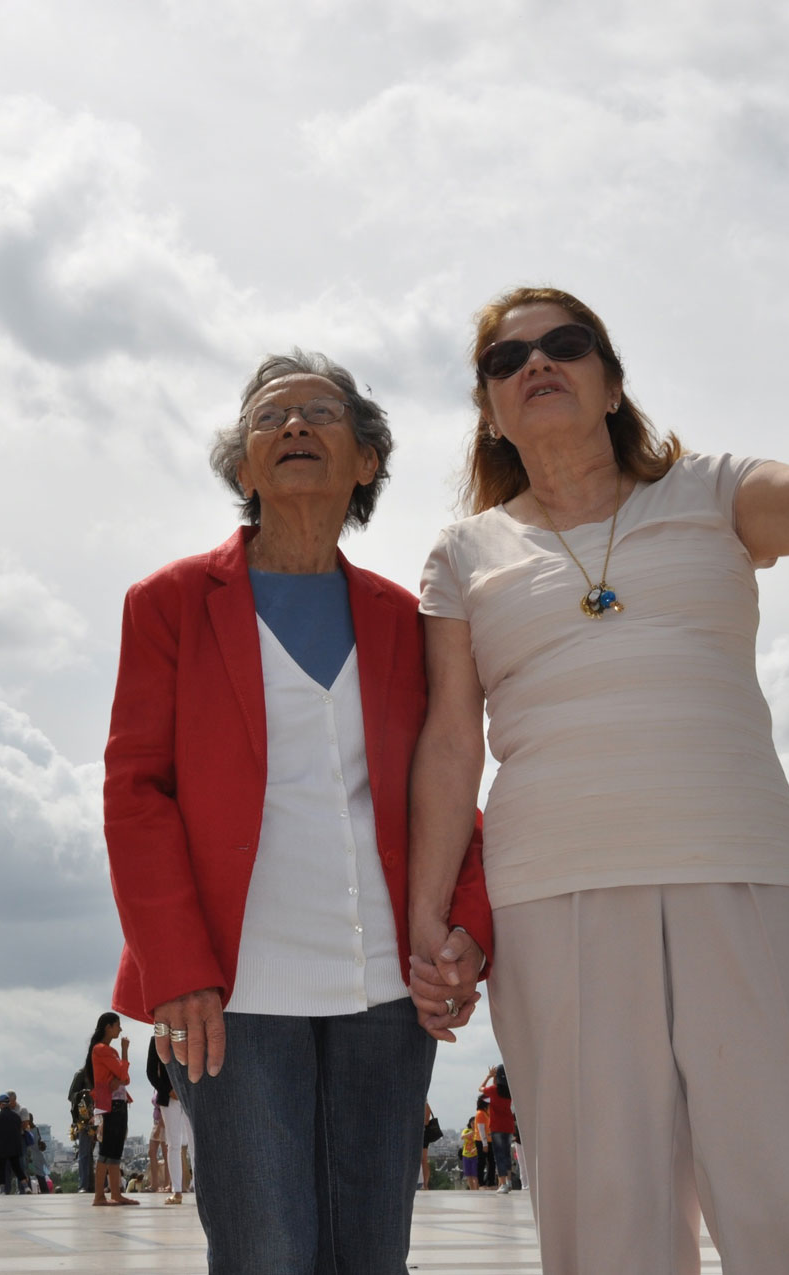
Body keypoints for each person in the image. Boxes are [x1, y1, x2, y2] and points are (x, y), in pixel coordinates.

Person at [411, 286, 789, 1273]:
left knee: (774, 1190)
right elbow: (446, 744)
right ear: (489, 407)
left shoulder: (712, 491)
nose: (538, 365)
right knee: (604, 1210)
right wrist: (431, 919)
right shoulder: (464, 553)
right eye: (508, 361)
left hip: (741, 871)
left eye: (566, 345)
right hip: (552, 892)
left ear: (611, 383)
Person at [104, 352, 498, 1271]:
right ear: (243, 468)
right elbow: (137, 792)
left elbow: (449, 793)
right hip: (232, 992)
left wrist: (468, 936)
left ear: (366, 460)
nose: (292, 426)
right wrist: (178, 967)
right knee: (265, 1253)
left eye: (321, 413)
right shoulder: (167, 605)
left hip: (388, 989)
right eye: (269, 417)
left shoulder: (413, 616)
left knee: (373, 1253)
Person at [85, 1013, 137, 1205]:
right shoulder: (102, 1050)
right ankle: (100, 1195)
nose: (120, 1029)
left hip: (117, 1102)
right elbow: (123, 1074)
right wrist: (124, 1052)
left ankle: (115, 1193)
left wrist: (120, 1076)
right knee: (107, 1150)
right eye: (117, 1025)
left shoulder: (107, 1051)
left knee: (114, 1150)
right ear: (108, 1027)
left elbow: (125, 1078)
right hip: (110, 1104)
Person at [146, 1046, 192, 1204]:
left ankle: (199, 1188)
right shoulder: (157, 1040)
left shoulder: (189, 1031)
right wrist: (168, 1090)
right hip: (169, 1097)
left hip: (189, 1094)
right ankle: (177, 1191)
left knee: (194, 1143)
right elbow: (151, 1073)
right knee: (173, 1144)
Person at [481, 1066, 519, 1194]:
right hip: (508, 1126)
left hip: (497, 1127)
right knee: (507, 1154)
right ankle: (508, 1182)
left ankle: (502, 1183)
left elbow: (481, 1089)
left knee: (499, 1155)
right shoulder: (510, 1092)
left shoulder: (493, 1090)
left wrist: (489, 1076)